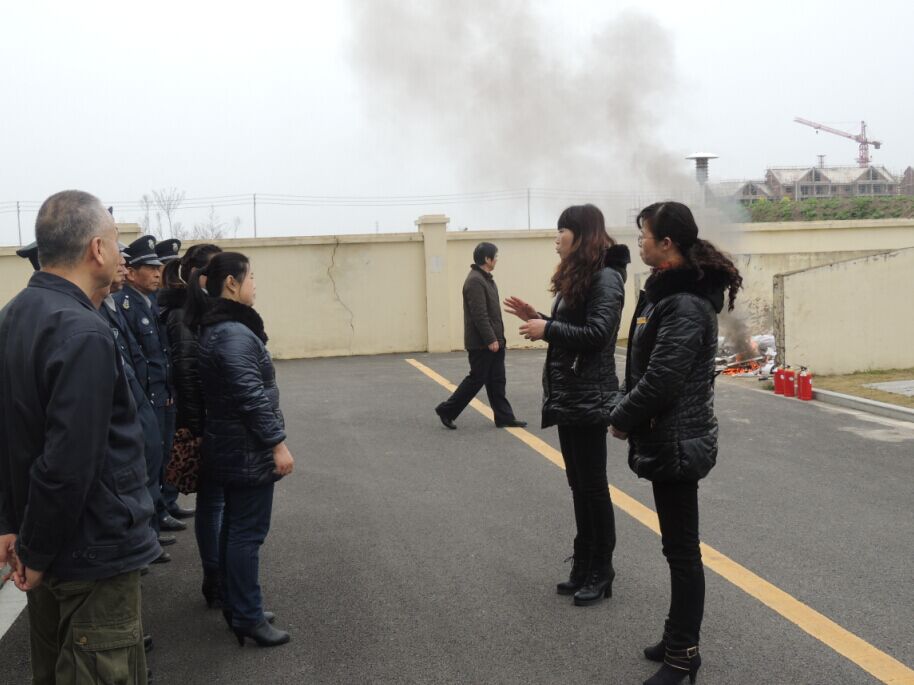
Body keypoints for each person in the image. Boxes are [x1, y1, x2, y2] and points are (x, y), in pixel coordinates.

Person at [0, 190, 159, 684]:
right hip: (90, 552)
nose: (122, 256)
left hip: (49, 543)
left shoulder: (14, 315)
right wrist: (36, 551)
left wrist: (13, 527)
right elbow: (67, 463)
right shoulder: (82, 330)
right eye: (116, 244)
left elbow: (10, 437)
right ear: (96, 248)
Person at [609, 201, 742, 685]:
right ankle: (675, 637)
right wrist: (627, 407)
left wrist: (622, 417)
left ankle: (684, 655)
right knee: (675, 549)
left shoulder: (683, 303)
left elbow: (663, 377)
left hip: (679, 442)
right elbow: (640, 367)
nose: (639, 243)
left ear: (666, 244)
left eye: (644, 236)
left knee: (683, 553)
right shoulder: (662, 292)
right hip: (665, 437)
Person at [504, 204, 629, 607]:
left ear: (582, 234)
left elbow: (598, 333)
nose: (556, 238)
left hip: (589, 395)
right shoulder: (581, 274)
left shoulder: (606, 277)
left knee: (592, 487)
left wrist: (549, 328)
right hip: (571, 394)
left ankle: (602, 569)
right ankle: (584, 562)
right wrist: (540, 318)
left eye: (562, 230)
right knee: (579, 485)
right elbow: (574, 328)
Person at [184, 251, 294, 647]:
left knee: (234, 529)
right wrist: (277, 444)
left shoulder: (222, 328)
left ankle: (238, 605)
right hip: (246, 449)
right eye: (251, 277)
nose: (255, 285)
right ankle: (247, 615)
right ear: (231, 283)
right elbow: (250, 397)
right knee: (247, 533)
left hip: (233, 445)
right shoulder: (232, 333)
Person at [157, 243, 225, 608]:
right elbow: (186, 373)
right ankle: (215, 578)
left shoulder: (199, 307)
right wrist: (198, 432)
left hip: (211, 419)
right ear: (201, 276)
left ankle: (219, 576)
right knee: (213, 503)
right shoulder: (184, 313)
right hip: (204, 424)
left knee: (217, 503)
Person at [99, 249, 173, 565]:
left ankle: (149, 534)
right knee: (140, 472)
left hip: (146, 398)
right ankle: (144, 539)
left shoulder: (119, 305)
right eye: (150, 267)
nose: (123, 265)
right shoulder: (113, 306)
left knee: (154, 463)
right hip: (136, 403)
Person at [115, 237, 192, 532]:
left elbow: (160, 354)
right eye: (150, 268)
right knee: (150, 460)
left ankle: (161, 509)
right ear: (132, 272)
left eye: (159, 268)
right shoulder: (127, 305)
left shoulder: (147, 302)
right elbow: (139, 359)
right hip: (148, 396)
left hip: (161, 393)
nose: (158, 273)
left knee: (163, 454)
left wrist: (167, 390)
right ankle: (152, 522)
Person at [435, 242, 526, 430]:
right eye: (495, 256)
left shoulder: (486, 279)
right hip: (482, 344)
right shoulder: (475, 281)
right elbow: (479, 315)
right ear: (487, 259)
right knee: (476, 379)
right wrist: (490, 339)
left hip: (494, 341)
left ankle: (504, 417)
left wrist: (498, 339)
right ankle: (447, 410)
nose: (497, 259)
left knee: (497, 380)